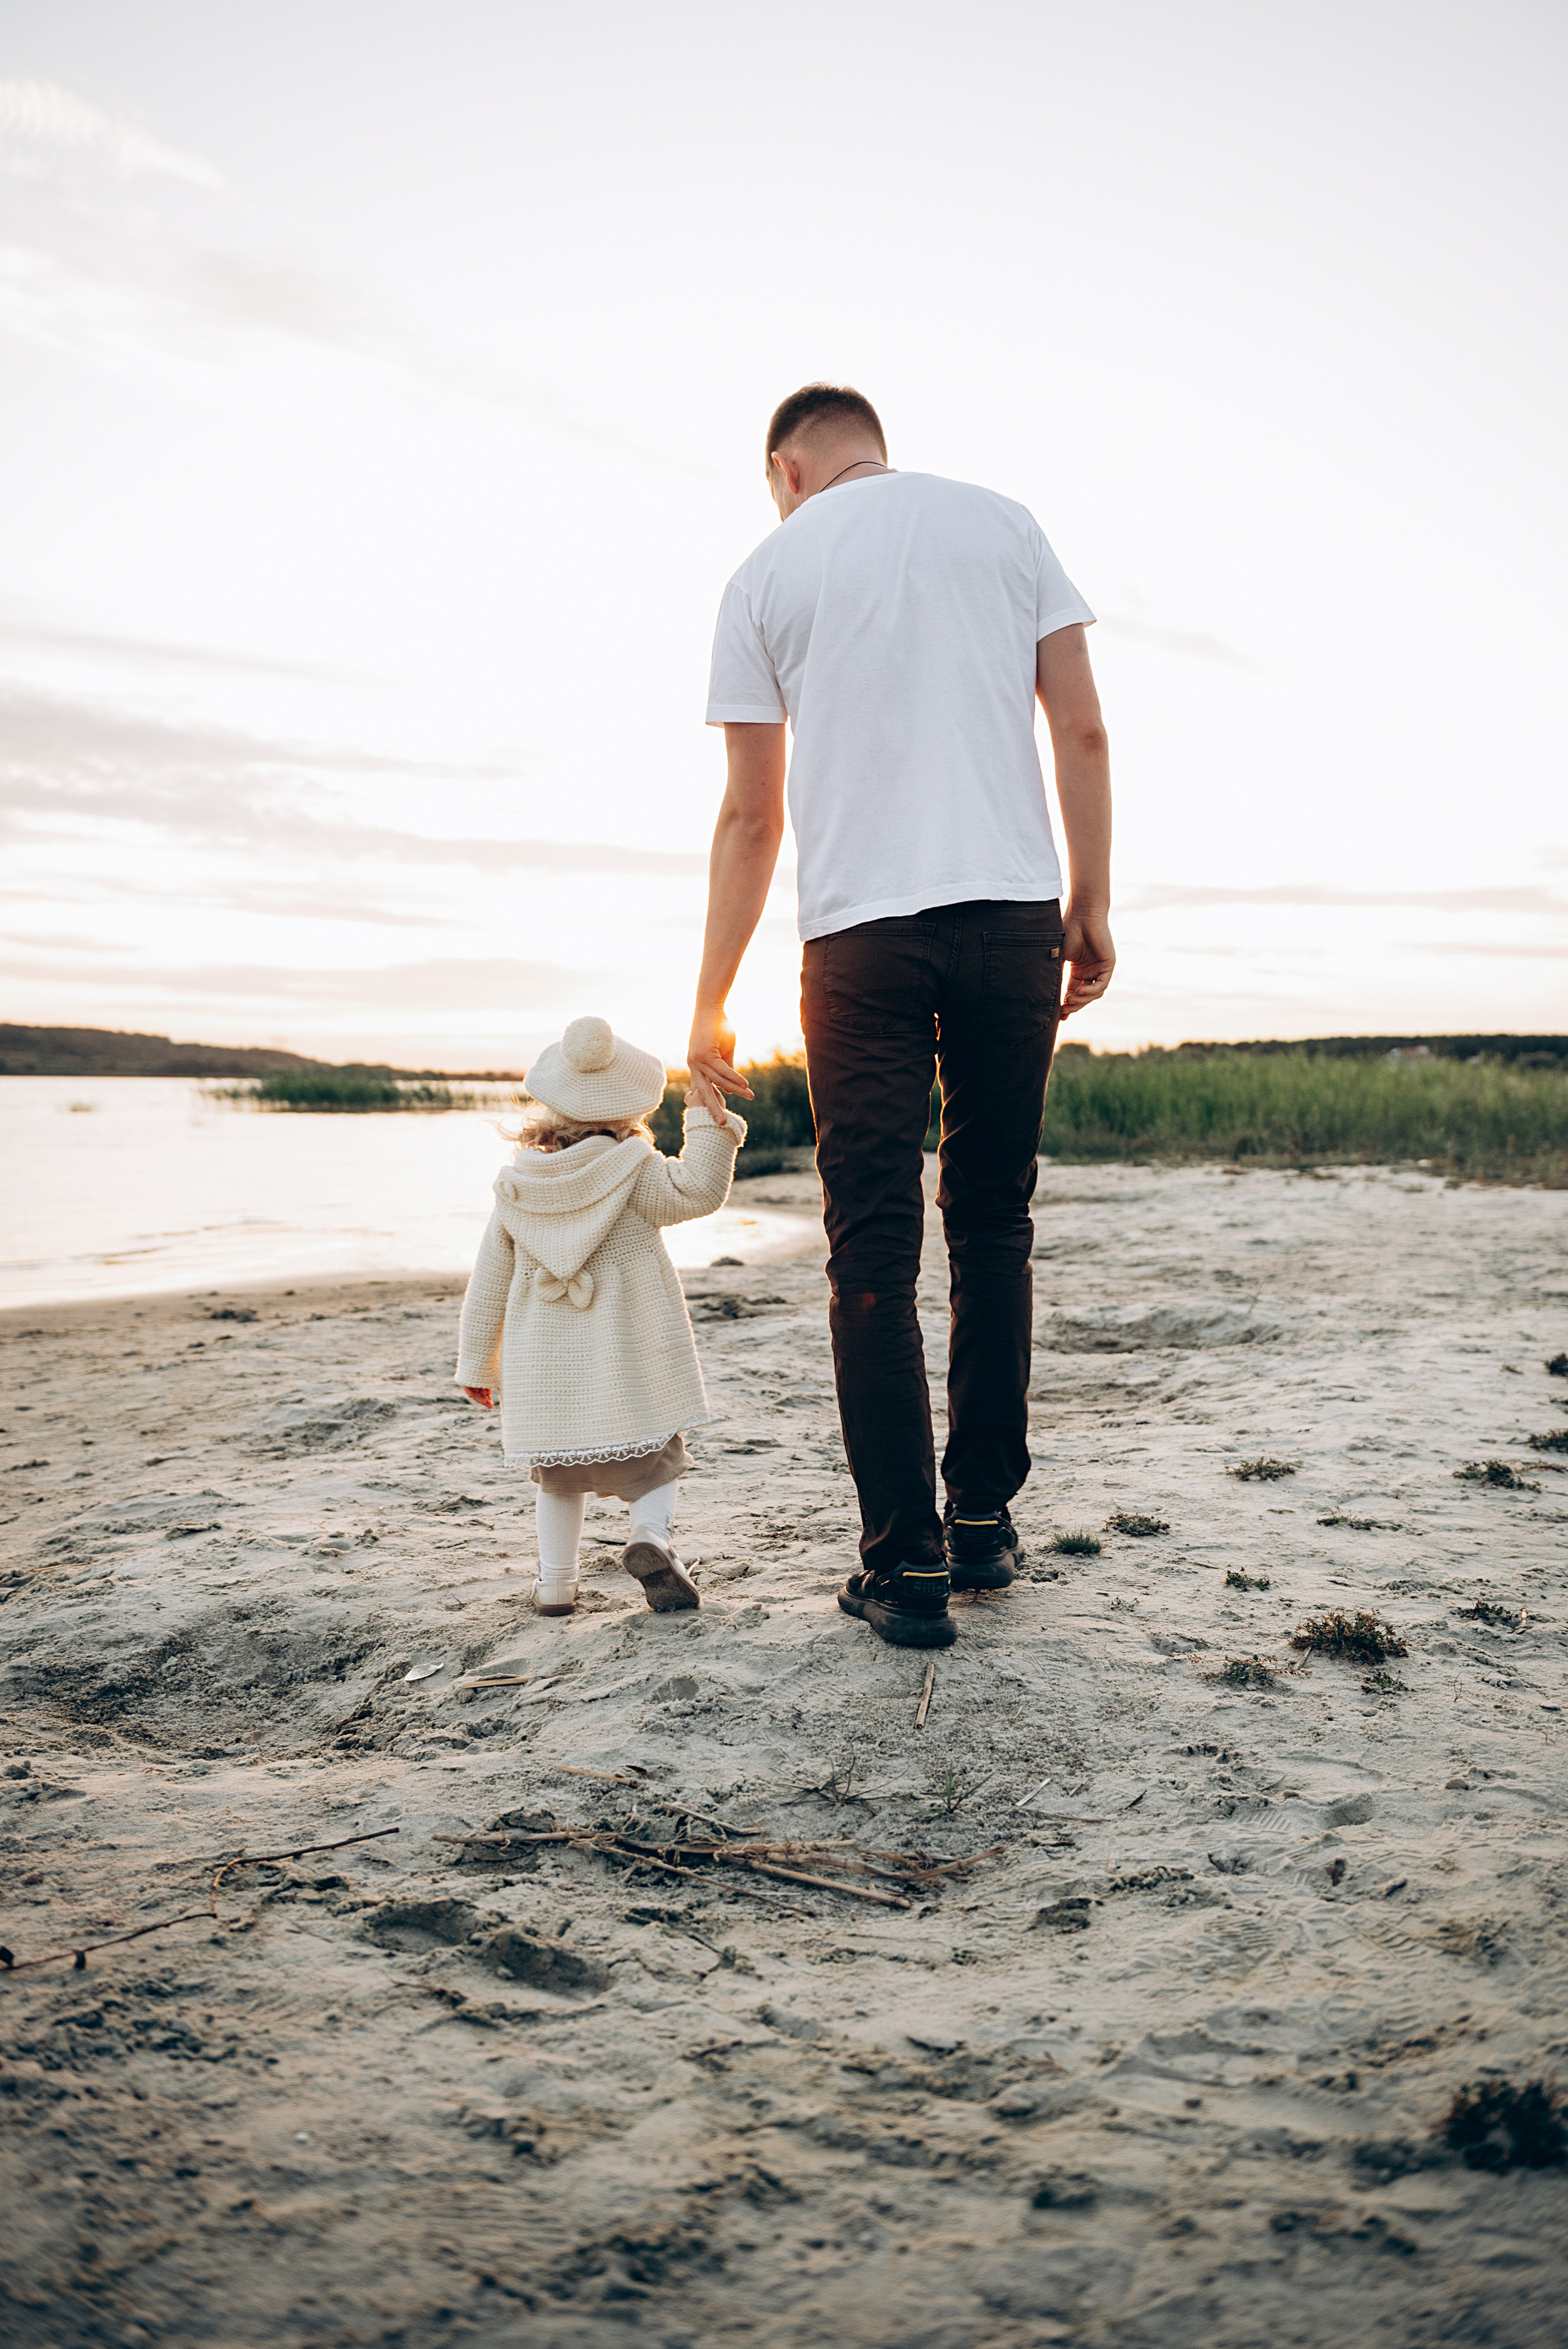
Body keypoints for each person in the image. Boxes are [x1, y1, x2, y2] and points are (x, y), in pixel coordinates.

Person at [687, 383, 1114, 1650]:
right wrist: (1087, 901)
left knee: (869, 1247)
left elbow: (750, 817)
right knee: (992, 1220)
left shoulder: (762, 574)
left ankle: (904, 1563)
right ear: (872, 446)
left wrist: (708, 1001)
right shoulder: (1003, 525)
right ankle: (980, 1520)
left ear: (785, 469)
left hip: (858, 941)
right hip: (1006, 923)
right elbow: (1079, 728)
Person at [455, 1015, 747, 1615]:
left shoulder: (516, 1186)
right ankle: (649, 1538)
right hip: (627, 1358)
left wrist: (476, 1365)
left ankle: (556, 1585)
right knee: (656, 1461)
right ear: (626, 1107)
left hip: (546, 1367)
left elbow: (488, 1282)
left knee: (558, 1479)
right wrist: (704, 1115)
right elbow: (700, 1192)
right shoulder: (636, 1170)